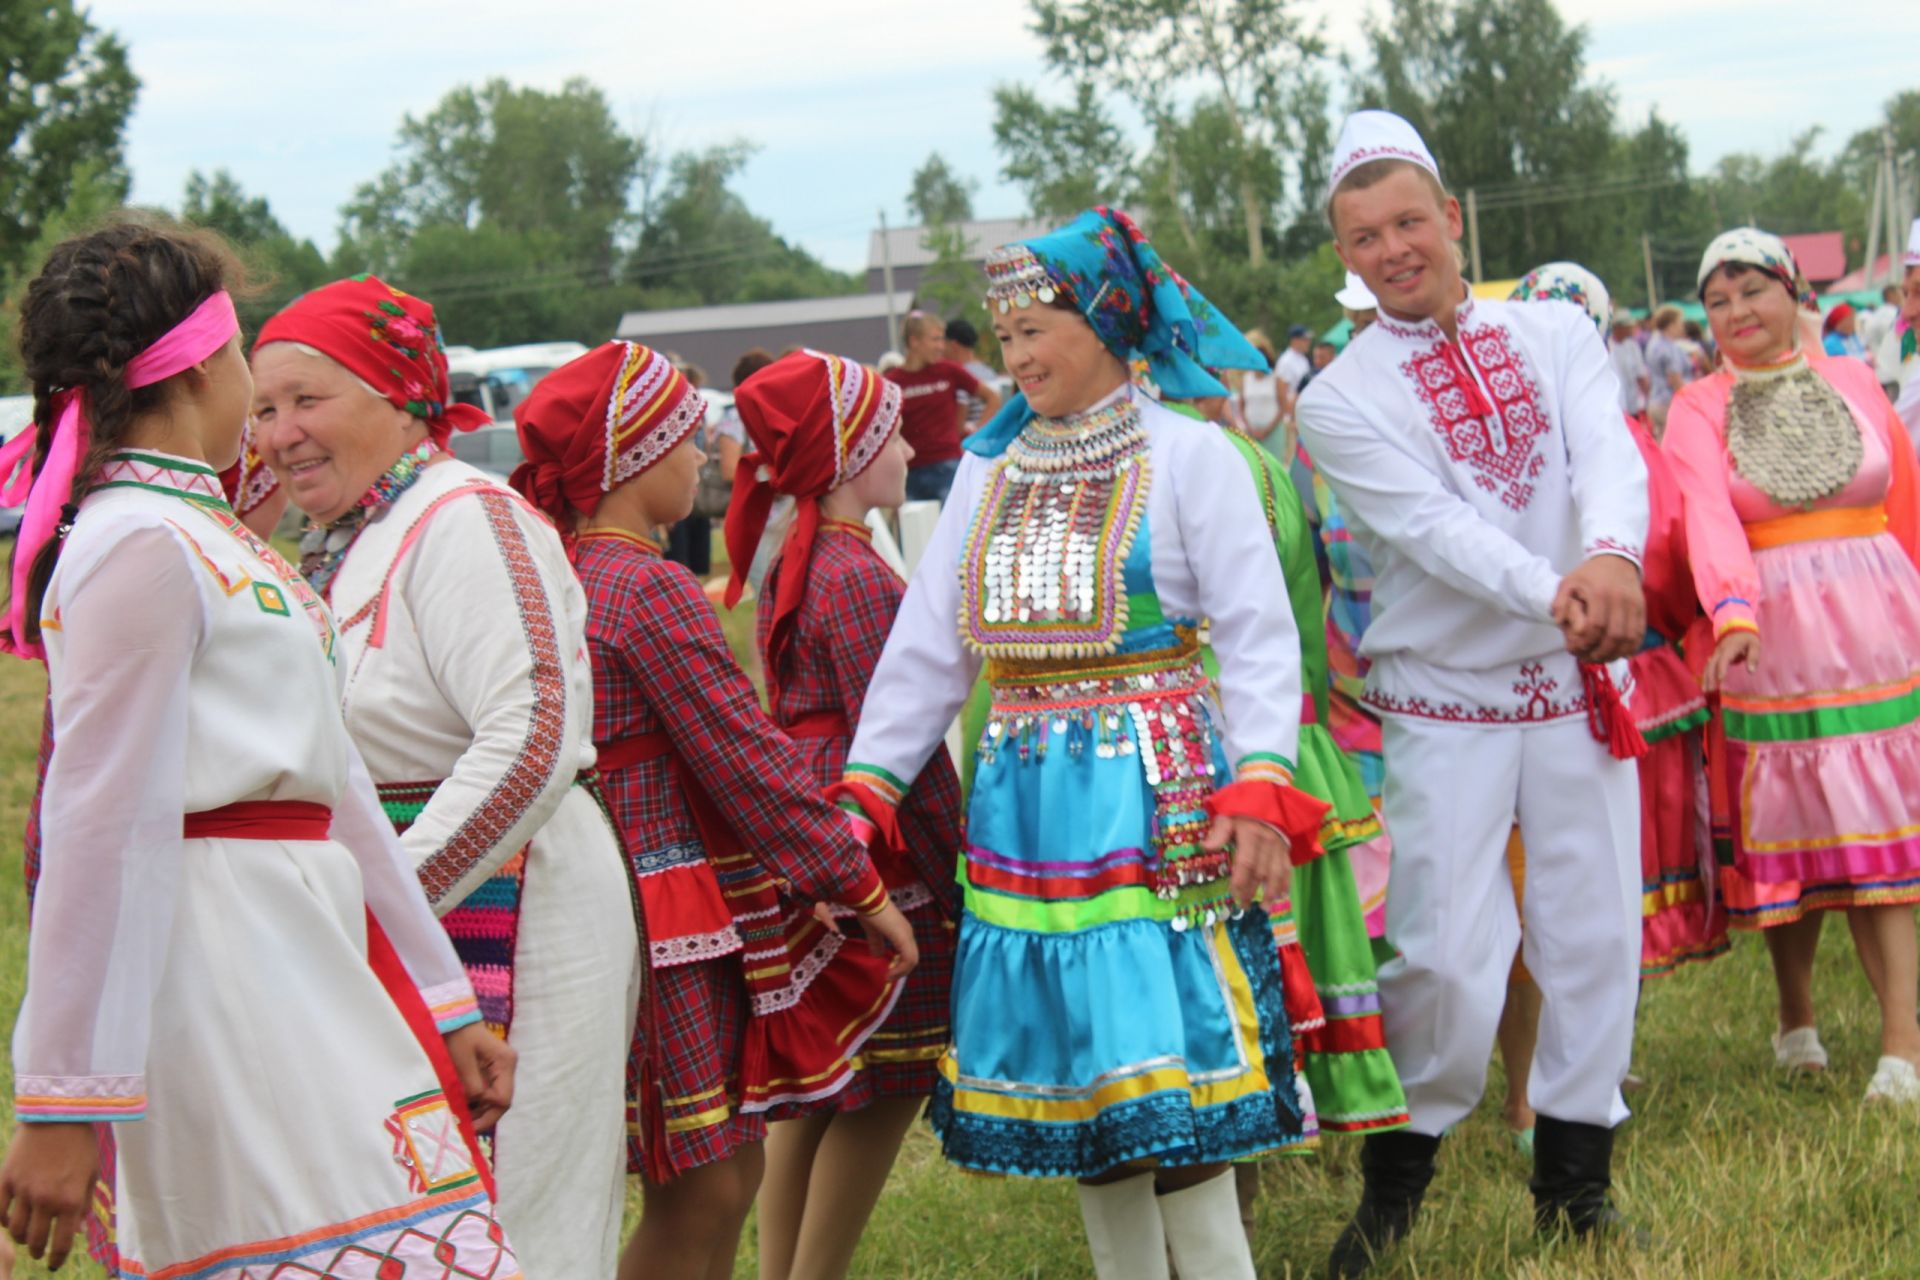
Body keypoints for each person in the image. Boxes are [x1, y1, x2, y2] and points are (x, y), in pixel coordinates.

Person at [0, 219, 519, 1277]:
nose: (252, 379)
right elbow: (98, 824)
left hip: (305, 937)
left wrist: (440, 991)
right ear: (198, 365)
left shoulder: (212, 535)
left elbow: (338, 789)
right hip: (221, 965)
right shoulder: (138, 541)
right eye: (244, 354)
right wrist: (62, 1095)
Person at [837, 206, 1328, 1280]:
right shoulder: (988, 467)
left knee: (1174, 1079)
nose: (1013, 357)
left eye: (1032, 332)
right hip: (1031, 812)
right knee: (1085, 1086)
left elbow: (1256, 633)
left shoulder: (1192, 457)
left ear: (1107, 320)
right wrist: (867, 788)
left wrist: (1261, 783)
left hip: (1158, 804)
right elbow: (931, 642)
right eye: (1004, 337)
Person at [1297, 111, 1650, 1274]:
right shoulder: (1339, 397)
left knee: (1593, 929)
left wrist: (1612, 553)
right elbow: (1435, 531)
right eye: (1364, 234)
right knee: (1445, 950)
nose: (1393, 247)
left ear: (1454, 217)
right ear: (1344, 255)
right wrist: (1566, 585)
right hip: (1445, 696)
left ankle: (1575, 1179)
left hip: (1574, 683)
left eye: (1409, 220)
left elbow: (1607, 451)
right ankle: (1398, 1175)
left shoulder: (1555, 331)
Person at [250, 276, 641, 1276]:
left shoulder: (468, 517)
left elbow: (535, 735)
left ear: (397, 393)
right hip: (415, 901)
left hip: (523, 897)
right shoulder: (349, 540)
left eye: (307, 399)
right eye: (261, 406)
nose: (280, 432)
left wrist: (378, 910)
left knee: (521, 1205)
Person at [507, 341, 918, 1280]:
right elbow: (747, 759)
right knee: (703, 1177)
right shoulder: (643, 586)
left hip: (609, 890)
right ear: (633, 459)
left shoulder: (565, 570)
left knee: (721, 1163)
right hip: (660, 907)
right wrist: (861, 887)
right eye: (684, 438)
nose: (703, 455)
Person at [719, 349, 965, 1280]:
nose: (909, 445)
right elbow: (894, 749)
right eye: (892, 430)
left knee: (821, 1093)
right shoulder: (858, 573)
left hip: (810, 832)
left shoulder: (806, 548)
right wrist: (957, 877)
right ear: (857, 453)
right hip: (873, 851)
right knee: (880, 1092)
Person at [1663, 227, 1920, 1104]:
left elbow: (1904, 498)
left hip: (1879, 622)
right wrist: (1731, 609)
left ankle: (1900, 1047)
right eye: (1718, 301)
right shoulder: (1697, 406)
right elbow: (1705, 511)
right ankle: (1795, 1015)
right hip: (1772, 637)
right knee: (1795, 825)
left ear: (1791, 291)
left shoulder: (1853, 379)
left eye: (1753, 292)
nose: (1737, 314)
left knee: (1883, 817)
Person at [1510, 263, 1729, 982]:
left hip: (1566, 677)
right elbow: (1662, 550)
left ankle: (1588, 1046)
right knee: (1593, 853)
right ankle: (1594, 1046)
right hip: (1601, 668)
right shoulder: (1622, 438)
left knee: (1567, 860)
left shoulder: (1504, 442)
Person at [886, 310, 1002, 503]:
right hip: (909, 471)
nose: (941, 347)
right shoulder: (892, 383)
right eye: (935, 340)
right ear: (914, 341)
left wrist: (975, 434)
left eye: (942, 340)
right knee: (917, 530)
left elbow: (992, 398)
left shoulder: (948, 370)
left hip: (947, 464)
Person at [945, 317, 999, 433]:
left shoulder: (961, 375)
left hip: (971, 440)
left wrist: (976, 433)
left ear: (953, 345)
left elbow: (959, 422)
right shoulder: (988, 371)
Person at [1645, 305, 1691, 435]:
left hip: (1655, 401)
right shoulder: (1669, 347)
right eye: (1679, 323)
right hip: (1669, 403)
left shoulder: (1653, 343)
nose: (1682, 327)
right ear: (1671, 325)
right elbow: (1674, 379)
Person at [1239, 328, 1286, 452]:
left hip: (1272, 432)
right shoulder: (1246, 378)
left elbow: (1283, 407)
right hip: (1251, 431)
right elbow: (1241, 405)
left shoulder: (1276, 378)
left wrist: (1267, 430)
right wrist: (1249, 427)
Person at [1610, 313, 1650, 422]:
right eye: (1628, 326)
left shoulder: (1632, 346)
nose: (1631, 329)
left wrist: (1648, 399)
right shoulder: (1609, 347)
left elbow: (1640, 374)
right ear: (1619, 328)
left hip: (1633, 404)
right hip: (1617, 406)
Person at [1276, 323, 1313, 393]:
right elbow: (1281, 391)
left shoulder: (1303, 359)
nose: (1309, 342)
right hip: (1293, 403)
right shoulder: (1286, 361)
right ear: (1295, 340)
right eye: (1305, 339)